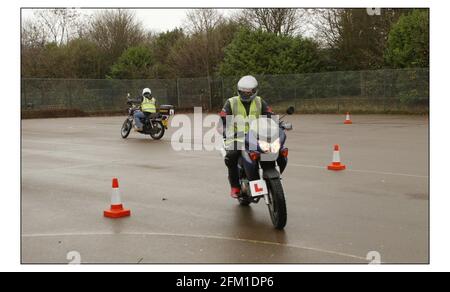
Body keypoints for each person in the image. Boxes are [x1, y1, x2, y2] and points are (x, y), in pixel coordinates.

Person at [219, 75, 274, 199]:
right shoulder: (231, 102)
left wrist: (278, 124)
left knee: (274, 150)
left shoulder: (260, 101)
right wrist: (223, 129)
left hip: (257, 137)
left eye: (248, 92)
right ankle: (235, 186)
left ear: (254, 91)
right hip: (237, 138)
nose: (246, 94)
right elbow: (222, 118)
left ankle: (268, 177)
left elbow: (270, 115)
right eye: (243, 91)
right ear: (239, 90)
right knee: (231, 155)